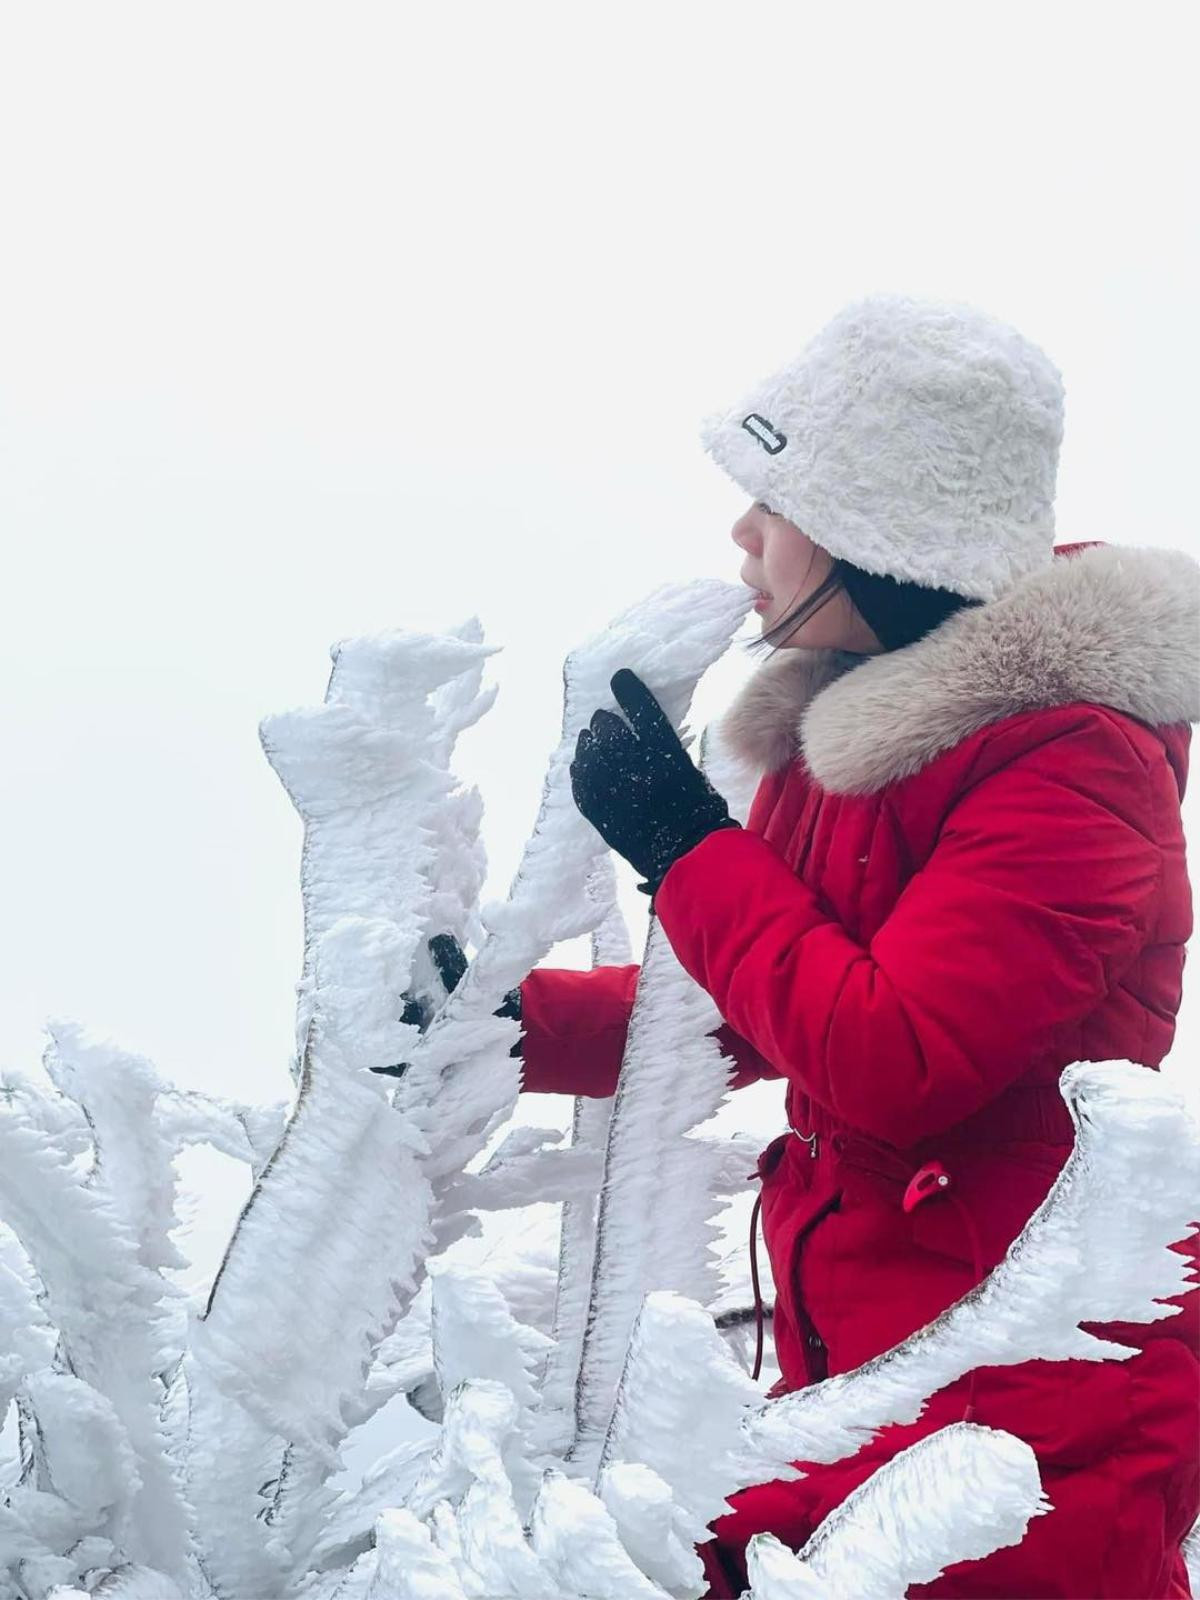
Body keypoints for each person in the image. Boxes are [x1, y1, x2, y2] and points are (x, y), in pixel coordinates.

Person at [517, 295, 1200, 1598]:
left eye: (774, 500)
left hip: (1034, 1425)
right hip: (862, 1382)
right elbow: (760, 1004)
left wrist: (686, 848)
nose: (742, 535)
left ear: (878, 531)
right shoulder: (836, 750)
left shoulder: (1073, 760)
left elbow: (892, 1053)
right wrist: (502, 1022)